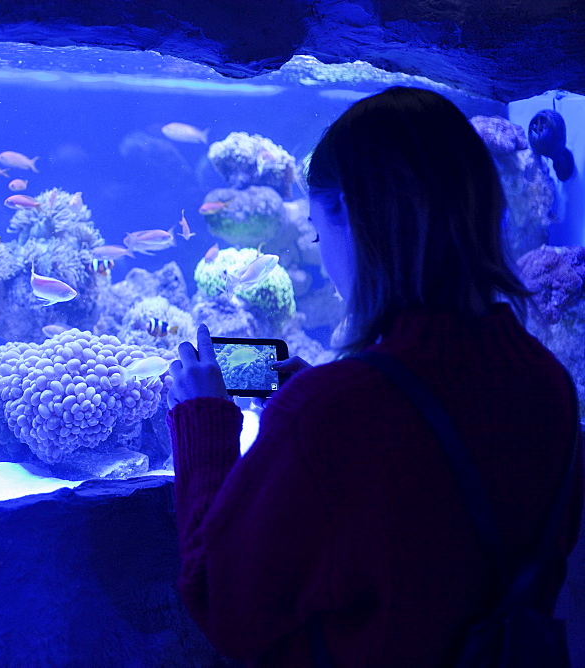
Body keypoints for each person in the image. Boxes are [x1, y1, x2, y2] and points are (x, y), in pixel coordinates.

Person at [167, 86, 582, 666]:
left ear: (360, 221)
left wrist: (204, 421)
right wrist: (336, 395)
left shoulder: (329, 415)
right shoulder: (548, 385)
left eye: (316, 231)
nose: (320, 252)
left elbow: (223, 602)